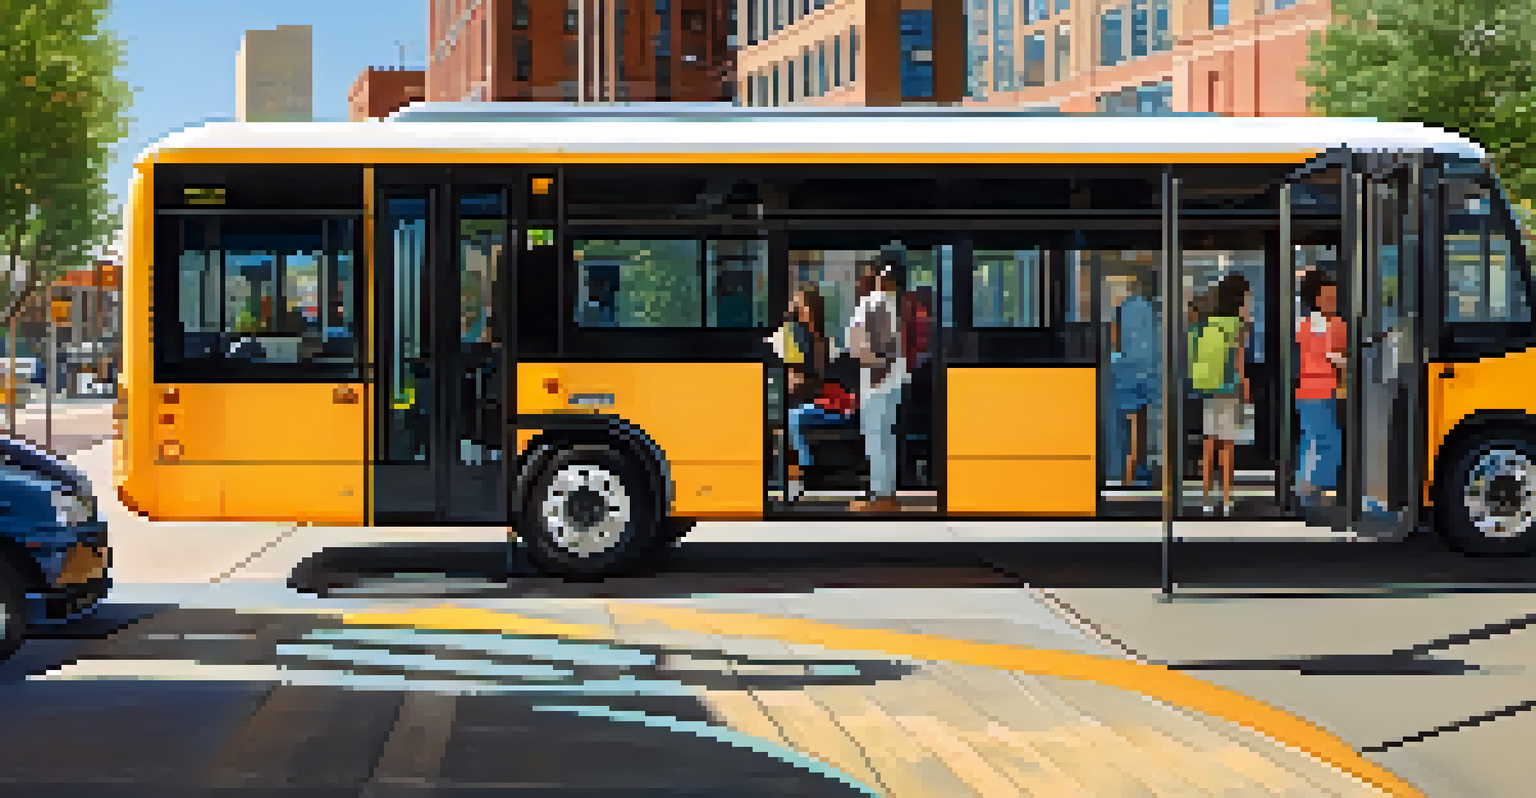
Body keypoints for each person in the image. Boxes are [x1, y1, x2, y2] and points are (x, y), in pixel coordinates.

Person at [781, 286, 853, 503]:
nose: (798, 308)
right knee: (787, 417)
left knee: (792, 418)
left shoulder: (819, 340)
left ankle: (804, 472)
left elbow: (818, 376)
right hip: (809, 396)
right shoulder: (792, 334)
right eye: (797, 305)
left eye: (802, 304)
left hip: (821, 399)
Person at [847, 257, 908, 512]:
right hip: (887, 381)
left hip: (877, 381)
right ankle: (885, 495)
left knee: (876, 438)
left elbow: (874, 345)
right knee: (884, 438)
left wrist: (875, 376)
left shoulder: (874, 303)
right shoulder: (889, 304)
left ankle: (881, 498)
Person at [1189, 274, 1251, 516]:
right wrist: (1245, 390)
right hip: (1229, 390)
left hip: (1209, 388)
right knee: (1227, 445)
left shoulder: (1207, 323)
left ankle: (1206, 498)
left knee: (1209, 443)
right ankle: (1226, 498)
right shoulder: (1238, 325)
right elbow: (1239, 364)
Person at [1295, 271, 1345, 508]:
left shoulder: (1303, 325)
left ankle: (1308, 488)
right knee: (1327, 440)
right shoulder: (1334, 325)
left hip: (1310, 390)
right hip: (1322, 388)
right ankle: (1320, 490)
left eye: (1333, 297)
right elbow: (1341, 356)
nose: (1332, 303)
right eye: (1328, 298)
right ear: (1316, 299)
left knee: (1312, 439)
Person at [1112, 271, 1160, 487]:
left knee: (1127, 427)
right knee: (1139, 426)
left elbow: (1115, 340)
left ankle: (1127, 474)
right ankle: (1135, 473)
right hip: (1144, 374)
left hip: (1125, 373)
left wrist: (1117, 360)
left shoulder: (1123, 308)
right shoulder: (1150, 310)